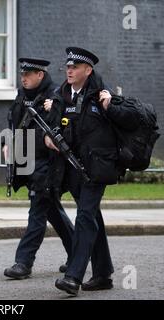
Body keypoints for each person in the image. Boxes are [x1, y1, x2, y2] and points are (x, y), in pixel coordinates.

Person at [45, 47, 118, 295]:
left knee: (85, 217)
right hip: (72, 168)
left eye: (74, 67)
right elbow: (51, 126)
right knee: (92, 216)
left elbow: (121, 127)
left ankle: (73, 276)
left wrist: (113, 106)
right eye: (67, 66)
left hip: (96, 168)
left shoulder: (102, 96)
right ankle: (103, 274)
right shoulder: (61, 95)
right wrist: (48, 137)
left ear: (88, 70)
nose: (69, 70)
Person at [2, 57, 74, 280]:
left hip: (47, 165)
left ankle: (23, 262)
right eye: (22, 74)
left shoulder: (54, 96)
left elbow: (58, 127)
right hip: (27, 162)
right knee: (51, 210)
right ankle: (79, 251)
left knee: (37, 213)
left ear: (40, 75)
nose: (23, 78)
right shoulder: (23, 96)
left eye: (28, 74)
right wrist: (7, 144)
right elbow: (14, 122)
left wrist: (45, 137)